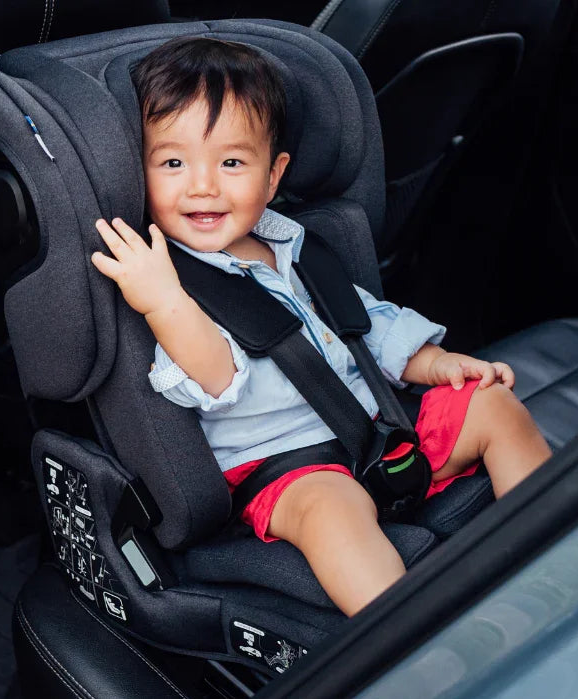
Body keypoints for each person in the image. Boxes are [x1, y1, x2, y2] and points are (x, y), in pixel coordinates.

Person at [90, 37, 552, 617]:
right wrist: (163, 301)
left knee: (491, 404)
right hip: (285, 468)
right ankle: (407, 632)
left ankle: (551, 553)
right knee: (332, 511)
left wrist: (438, 366)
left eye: (232, 162)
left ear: (274, 174)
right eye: (173, 162)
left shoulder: (295, 247)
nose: (203, 185)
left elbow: (367, 329)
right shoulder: (167, 279)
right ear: (139, 174)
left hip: (378, 430)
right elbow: (213, 373)